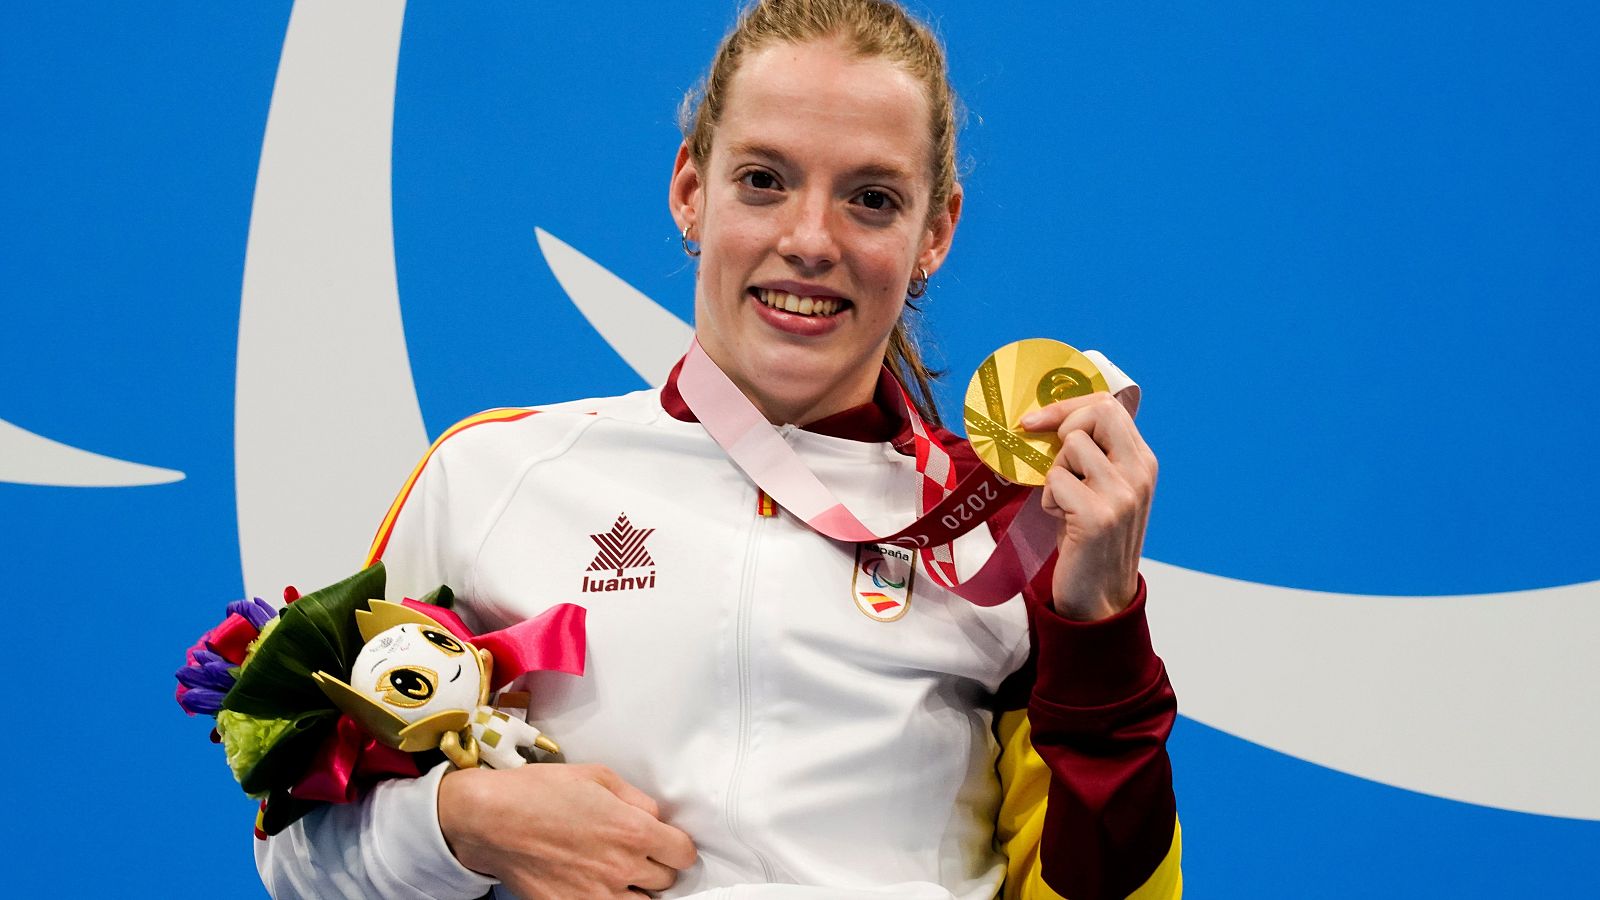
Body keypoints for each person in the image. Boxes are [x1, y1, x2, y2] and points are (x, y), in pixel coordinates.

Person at [256, 1, 1179, 897]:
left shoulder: (1005, 535)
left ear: (933, 233)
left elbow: (1102, 888)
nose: (809, 240)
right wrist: (463, 824)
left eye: (871, 199)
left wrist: (1100, 624)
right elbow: (295, 856)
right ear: (691, 191)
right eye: (764, 180)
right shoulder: (493, 477)